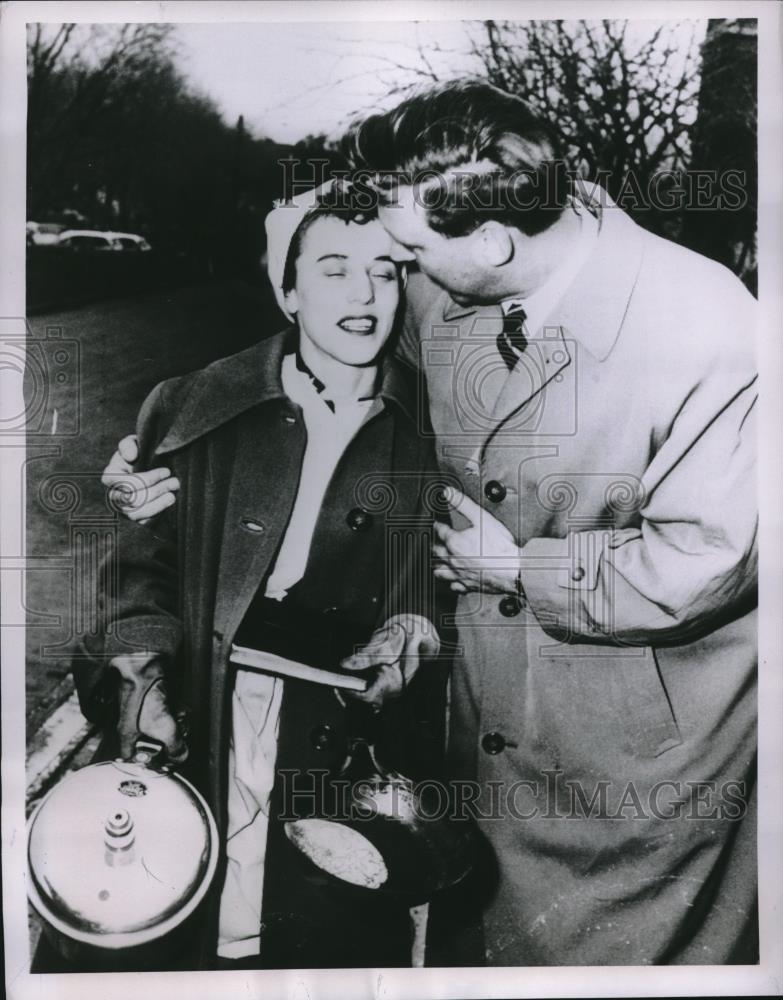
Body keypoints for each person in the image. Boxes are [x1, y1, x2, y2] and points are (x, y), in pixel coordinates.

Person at [106, 79, 758, 967]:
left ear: (490, 241)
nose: (393, 272)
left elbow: (706, 560)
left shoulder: (708, 325)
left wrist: (522, 570)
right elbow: (315, 315)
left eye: (404, 251)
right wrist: (162, 449)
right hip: (480, 748)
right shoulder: (452, 277)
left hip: (634, 772)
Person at [71, 187, 446, 971]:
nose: (363, 295)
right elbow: (138, 572)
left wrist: (409, 639)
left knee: (309, 936)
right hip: (205, 709)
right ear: (286, 289)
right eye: (333, 269)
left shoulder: (431, 431)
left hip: (332, 739)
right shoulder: (192, 404)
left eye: (385, 271)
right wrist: (146, 685)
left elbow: (429, 589)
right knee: (173, 919)